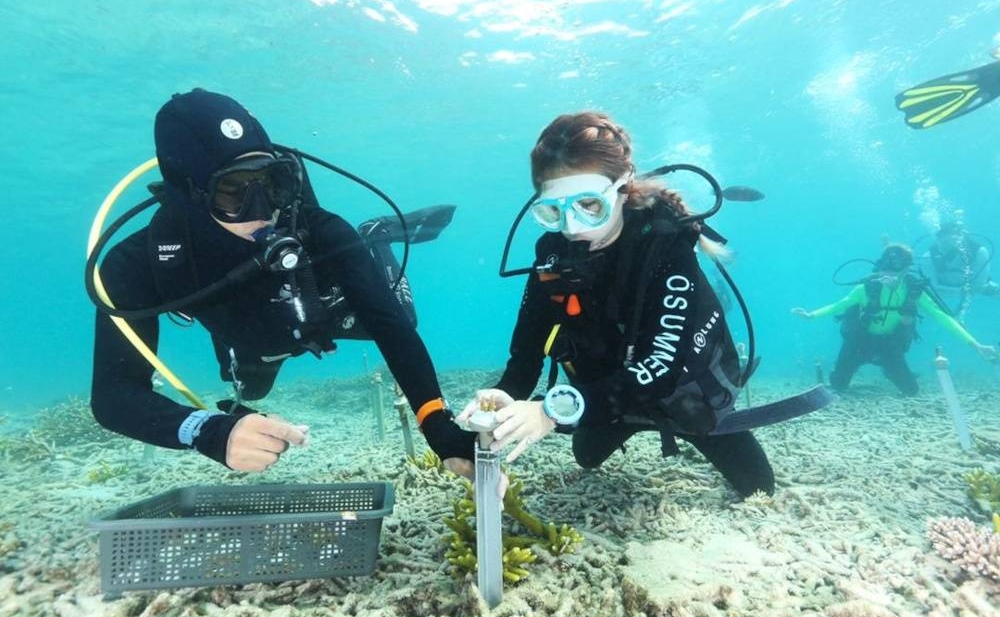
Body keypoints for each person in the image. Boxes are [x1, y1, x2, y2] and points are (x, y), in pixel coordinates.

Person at [90, 89, 474, 474]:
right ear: (190, 194)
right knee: (251, 392)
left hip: (324, 307)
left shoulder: (321, 231)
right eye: (233, 192)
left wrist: (438, 428)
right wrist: (209, 431)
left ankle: (376, 237)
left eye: (274, 183)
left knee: (403, 317)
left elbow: (390, 328)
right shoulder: (137, 264)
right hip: (248, 338)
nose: (265, 212)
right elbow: (113, 396)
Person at [458, 112, 775, 499]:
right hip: (607, 396)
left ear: (623, 186)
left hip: (682, 396)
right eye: (553, 211)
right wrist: (506, 394)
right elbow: (525, 354)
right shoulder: (552, 255)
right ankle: (617, 419)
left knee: (760, 488)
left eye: (589, 205)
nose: (573, 227)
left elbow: (663, 366)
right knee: (587, 456)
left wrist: (550, 411)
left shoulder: (666, 245)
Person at [792, 243, 997, 396]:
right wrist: (812, 315)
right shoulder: (866, 288)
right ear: (880, 267)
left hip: (890, 345)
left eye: (895, 270)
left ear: (906, 270)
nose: (889, 275)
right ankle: (842, 373)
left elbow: (943, 317)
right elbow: (840, 305)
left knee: (911, 391)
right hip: (858, 342)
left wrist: (975, 344)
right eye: (885, 268)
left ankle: (890, 370)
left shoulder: (914, 292)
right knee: (838, 386)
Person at [925, 218, 998, 306]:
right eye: (942, 241)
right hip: (947, 288)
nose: (945, 247)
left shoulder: (979, 252)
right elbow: (932, 287)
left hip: (971, 287)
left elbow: (978, 285)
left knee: (993, 290)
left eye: (948, 242)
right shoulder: (930, 255)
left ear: (962, 239)